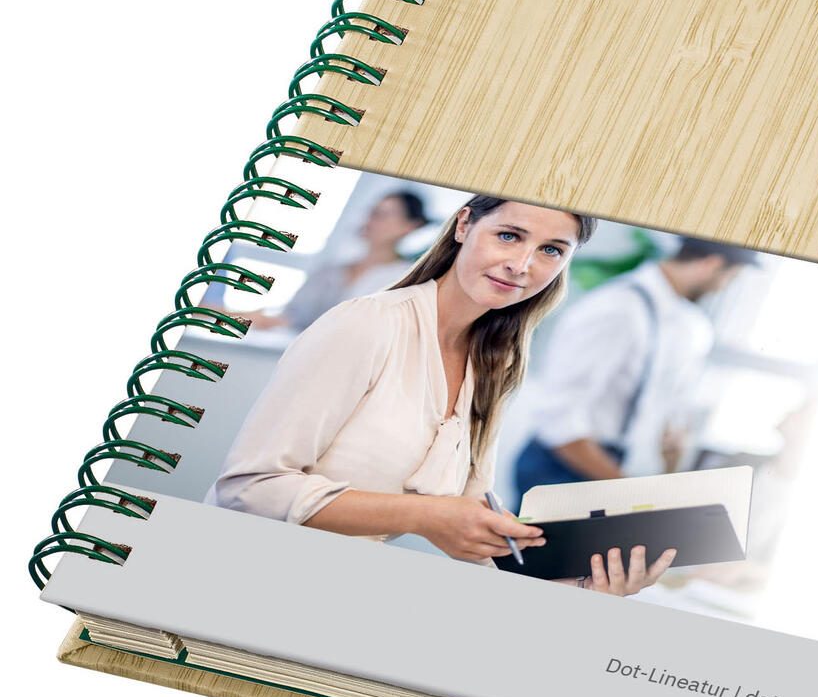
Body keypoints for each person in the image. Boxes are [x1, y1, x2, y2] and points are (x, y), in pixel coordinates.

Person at [206, 196, 674, 595]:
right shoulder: (366, 325)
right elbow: (249, 490)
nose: (522, 265)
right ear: (464, 224)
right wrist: (426, 516)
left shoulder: (493, 362)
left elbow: (475, 521)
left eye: (551, 250)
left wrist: (579, 585)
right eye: (509, 236)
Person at [511, 237, 761, 498]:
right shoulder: (617, 309)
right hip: (564, 468)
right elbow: (558, 421)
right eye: (730, 278)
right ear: (711, 264)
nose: (721, 288)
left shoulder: (677, 320)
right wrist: (629, 492)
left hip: (607, 467)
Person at [235, 189, 430, 333]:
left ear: (410, 226)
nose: (370, 221)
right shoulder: (331, 271)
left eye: (382, 215)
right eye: (372, 212)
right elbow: (292, 318)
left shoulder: (406, 280)